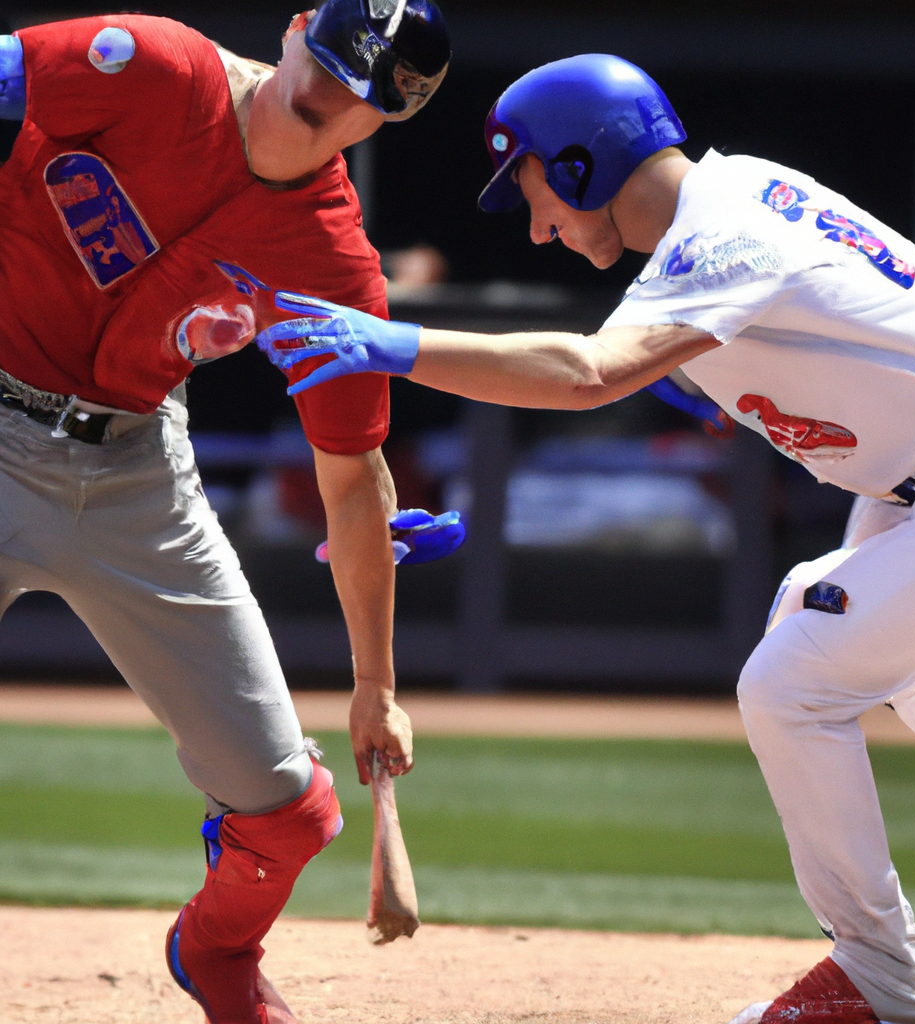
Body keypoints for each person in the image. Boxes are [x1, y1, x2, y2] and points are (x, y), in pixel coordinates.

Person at [258, 53, 915, 1024]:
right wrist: (467, 509)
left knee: (792, 681)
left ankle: (879, 980)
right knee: (901, 668)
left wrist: (392, 344)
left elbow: (586, 371)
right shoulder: (727, 209)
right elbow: (659, 378)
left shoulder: (723, 228)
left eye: (533, 188)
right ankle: (883, 972)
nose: (535, 223)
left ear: (580, 163)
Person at [0, 3, 453, 1023]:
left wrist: (375, 683)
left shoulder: (333, 264)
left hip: (134, 473)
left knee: (289, 812)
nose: (330, 92)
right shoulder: (153, 67)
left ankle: (217, 952)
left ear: (385, 121)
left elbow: (353, 478)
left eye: (362, 93)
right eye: (329, 59)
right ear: (294, 29)